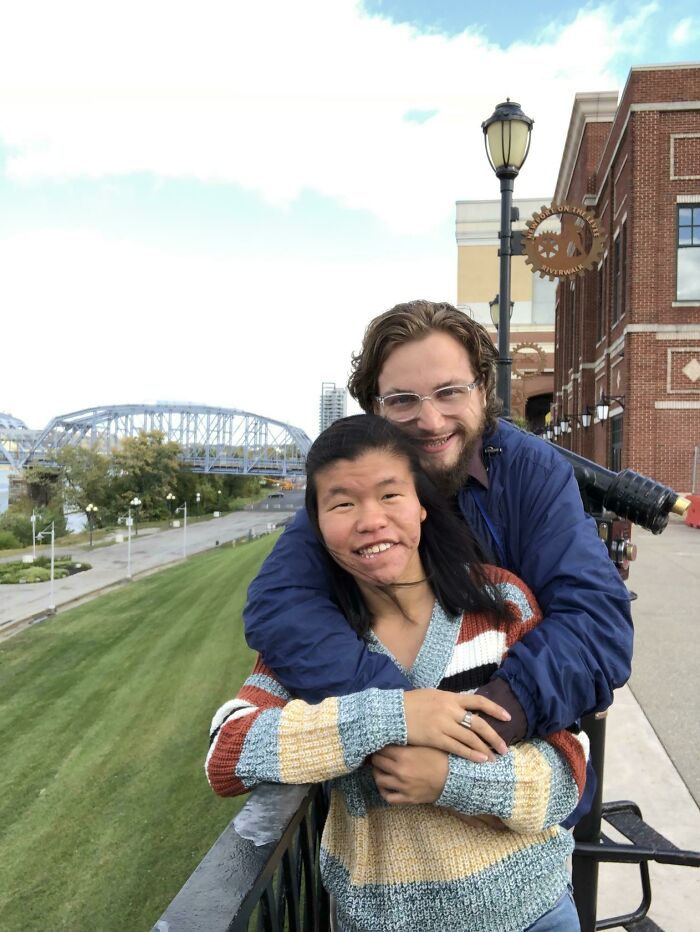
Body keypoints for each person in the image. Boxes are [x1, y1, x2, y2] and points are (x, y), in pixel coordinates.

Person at [244, 301, 632, 810]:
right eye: (403, 399)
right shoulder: (359, 488)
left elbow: (597, 621)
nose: (430, 420)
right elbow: (281, 603)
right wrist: (402, 713)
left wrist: (474, 727)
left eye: (450, 391)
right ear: (375, 409)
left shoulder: (530, 471)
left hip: (520, 795)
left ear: (483, 389)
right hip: (393, 834)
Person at [208, 415, 586, 931]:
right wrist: (394, 715)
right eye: (342, 503)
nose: (371, 520)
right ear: (316, 525)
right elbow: (228, 752)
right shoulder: (317, 638)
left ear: (422, 506)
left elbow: (567, 774)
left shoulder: (499, 603)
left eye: (391, 495)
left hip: (533, 914)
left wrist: (448, 780)